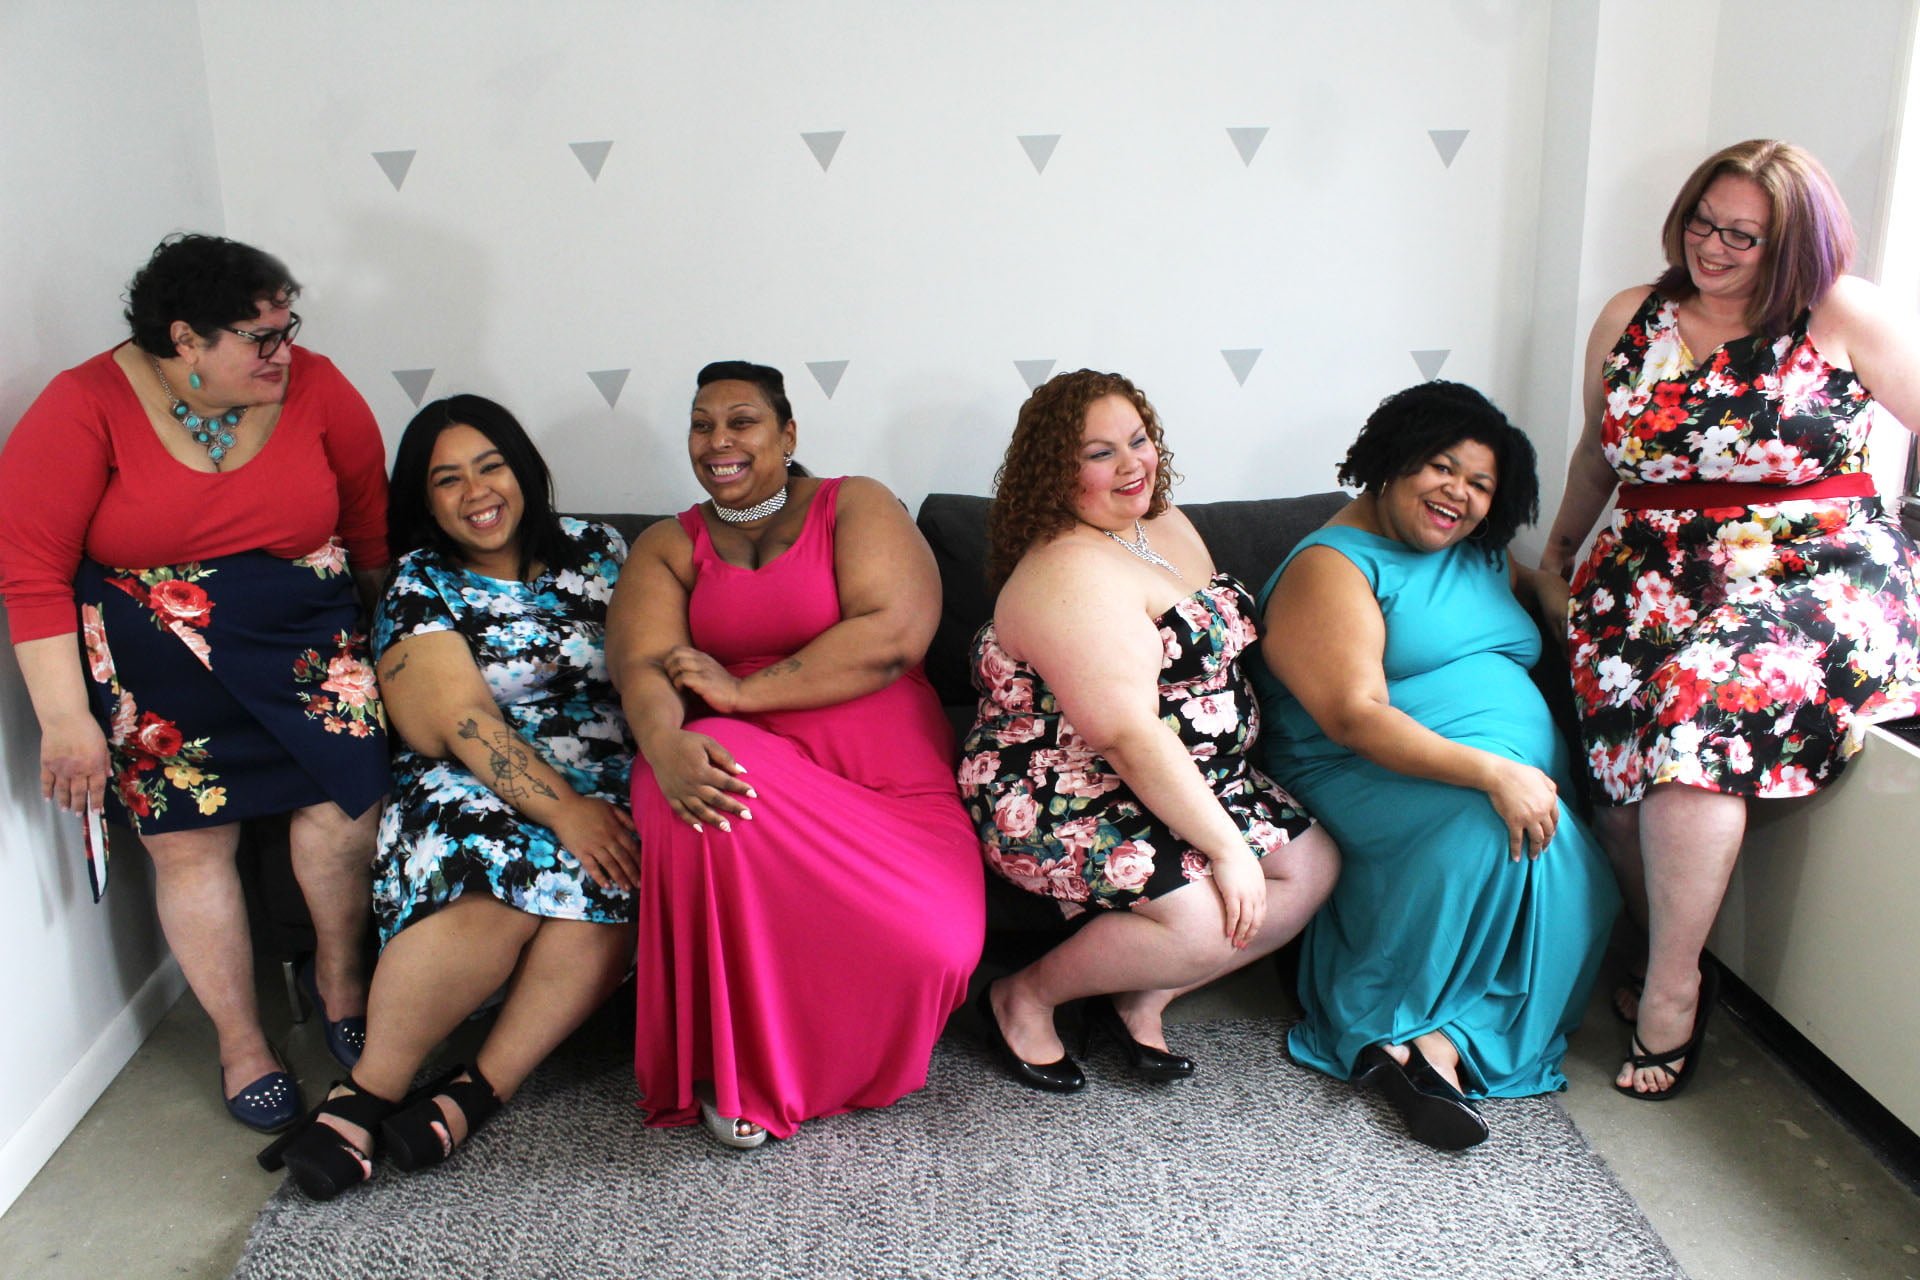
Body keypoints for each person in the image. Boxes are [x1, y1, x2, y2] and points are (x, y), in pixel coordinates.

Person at [1540, 139, 1920, 1100]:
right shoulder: (1632, 316)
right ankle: (1675, 956)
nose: (1712, 248)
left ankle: (1670, 992)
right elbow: (1597, 455)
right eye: (1702, 223)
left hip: (1812, 572)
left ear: (1793, 244)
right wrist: (1559, 553)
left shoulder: (1842, 313)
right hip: (1648, 576)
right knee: (1618, 795)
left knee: (1694, 710)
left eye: (1743, 236)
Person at [0, 234, 389, 1132]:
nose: (283, 351)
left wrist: (390, 650)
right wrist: (65, 720)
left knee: (345, 810)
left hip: (309, 656)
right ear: (185, 339)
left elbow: (370, 527)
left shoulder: (319, 387)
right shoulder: (82, 405)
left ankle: (340, 980)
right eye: (260, 336)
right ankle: (242, 1042)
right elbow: (31, 573)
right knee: (189, 847)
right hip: (162, 682)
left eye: (288, 327)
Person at [259, 395, 639, 1198]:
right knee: (498, 881)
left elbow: (654, 652)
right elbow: (459, 720)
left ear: (523, 470)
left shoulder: (601, 549)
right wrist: (564, 812)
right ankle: (369, 1092)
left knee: (612, 881)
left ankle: (479, 1088)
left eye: (491, 466)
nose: (476, 492)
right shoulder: (420, 580)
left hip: (607, 771)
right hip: (472, 774)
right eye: (448, 479)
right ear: (425, 501)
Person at [609, 360, 984, 1149]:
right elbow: (643, 664)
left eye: (741, 421)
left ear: (787, 434)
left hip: (883, 774)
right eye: (702, 425)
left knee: (938, 946)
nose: (718, 440)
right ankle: (733, 1068)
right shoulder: (667, 545)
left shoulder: (856, 504)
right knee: (704, 781)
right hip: (733, 757)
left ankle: (817, 1056)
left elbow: (892, 637)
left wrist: (744, 692)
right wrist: (663, 742)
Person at [1252, 381, 1619, 1150]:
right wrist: (1493, 772)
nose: (1459, 493)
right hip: (1355, 770)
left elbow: (1515, 585)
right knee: (1492, 831)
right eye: (1442, 467)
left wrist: (1554, 590)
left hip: (1485, 772)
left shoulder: (1472, 549)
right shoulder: (1333, 566)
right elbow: (1354, 717)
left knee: (1580, 872)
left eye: (1481, 483)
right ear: (1392, 460)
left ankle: (1438, 1048)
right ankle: (1383, 1021)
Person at [959, 369, 1340, 1093]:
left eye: (1138, 440)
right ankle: (1022, 998)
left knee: (1311, 869)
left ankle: (1140, 995)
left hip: (1187, 773)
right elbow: (1127, 735)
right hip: (1067, 785)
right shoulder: (1067, 572)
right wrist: (1226, 849)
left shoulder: (1157, 521)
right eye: (1100, 453)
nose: (1133, 464)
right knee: (1200, 924)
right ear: (1056, 472)